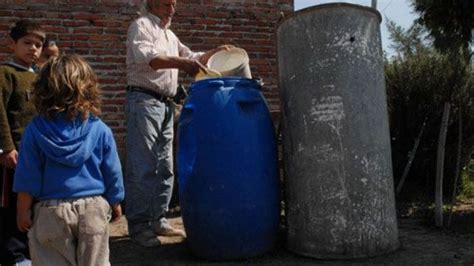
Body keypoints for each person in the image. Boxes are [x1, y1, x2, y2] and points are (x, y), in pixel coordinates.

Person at [125, 0, 233, 247]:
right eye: (166, 3)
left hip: (166, 103)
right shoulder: (141, 25)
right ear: (152, 2)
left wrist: (214, 53)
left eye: (173, 4)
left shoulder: (170, 35)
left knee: (165, 165)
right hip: (144, 99)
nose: (171, 8)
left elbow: (191, 57)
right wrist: (185, 64)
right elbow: (150, 59)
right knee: (143, 165)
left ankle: (158, 218)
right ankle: (139, 226)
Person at [13, 54, 125, 265]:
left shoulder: (35, 130)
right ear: (88, 88)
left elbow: (27, 177)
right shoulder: (99, 128)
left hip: (50, 212)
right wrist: (115, 201)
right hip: (93, 209)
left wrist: (22, 211)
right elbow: (112, 170)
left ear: (42, 90)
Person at [0, 19, 45, 266]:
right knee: (12, 205)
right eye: (27, 43)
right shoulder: (5, 74)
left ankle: (31, 252)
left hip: (36, 154)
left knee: (32, 206)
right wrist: (5, 147)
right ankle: (14, 255)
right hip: (13, 154)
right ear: (12, 44)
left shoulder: (39, 78)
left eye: (38, 45)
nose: (33, 49)